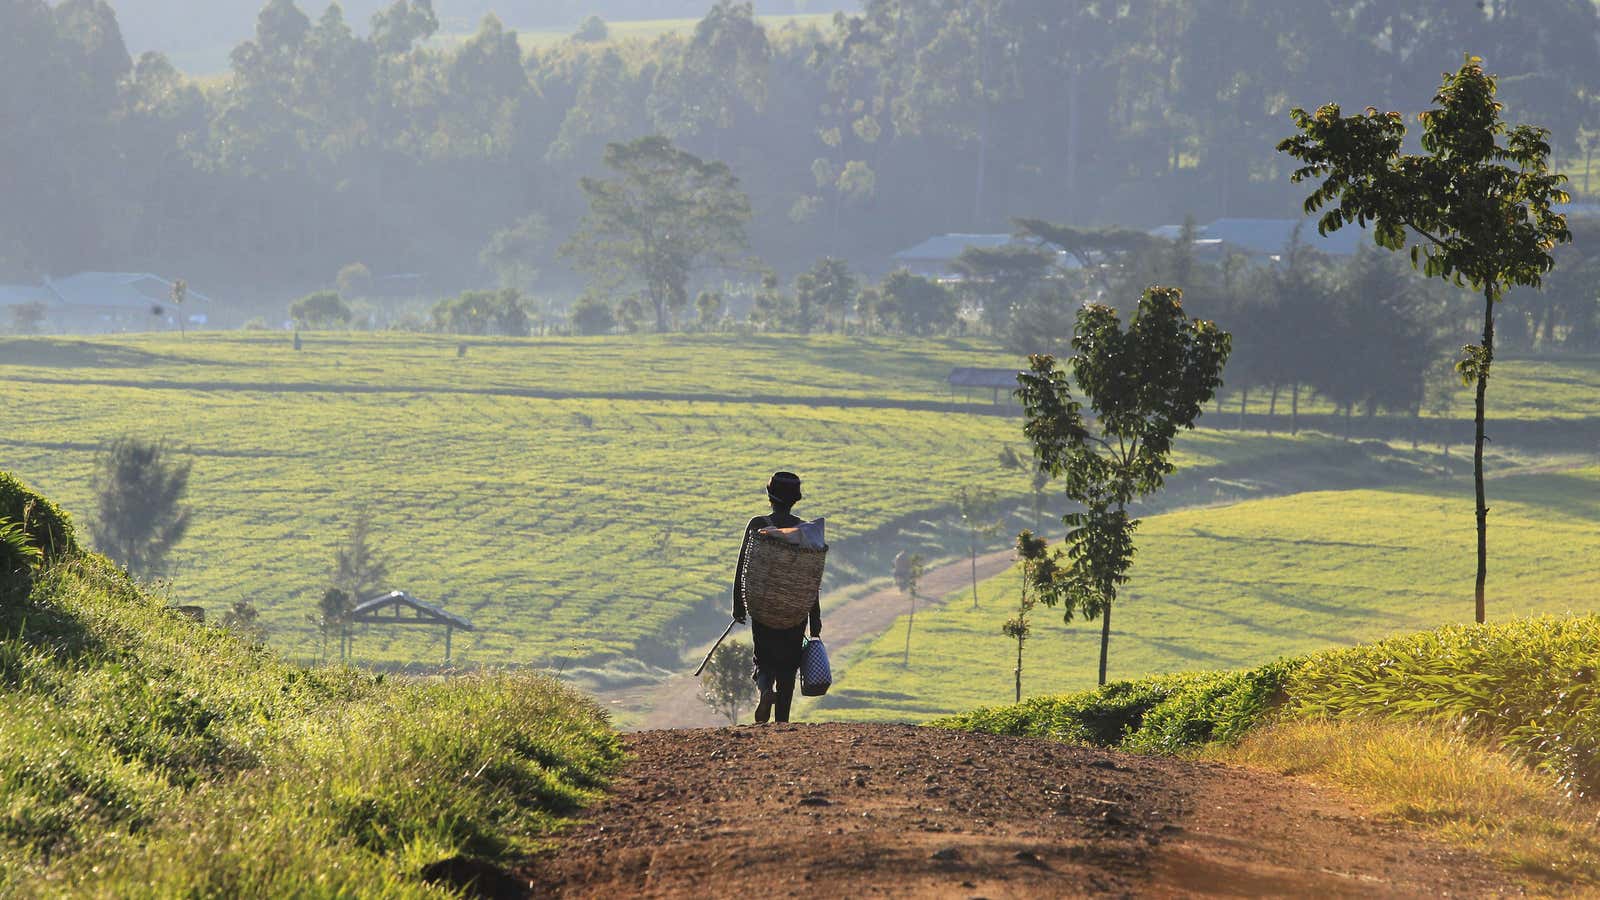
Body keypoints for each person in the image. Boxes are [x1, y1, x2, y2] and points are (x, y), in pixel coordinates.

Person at [732, 471, 821, 723]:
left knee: (764, 659)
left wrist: (738, 604)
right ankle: (782, 721)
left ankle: (764, 691)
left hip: (763, 608)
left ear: (769, 497)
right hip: (795, 611)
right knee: (788, 665)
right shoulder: (804, 531)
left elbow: (743, 567)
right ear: (796, 499)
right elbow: (811, 576)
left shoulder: (758, 524)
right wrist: (815, 616)